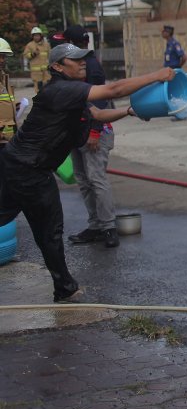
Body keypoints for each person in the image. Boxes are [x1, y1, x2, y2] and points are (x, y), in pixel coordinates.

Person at [0, 43, 175, 302]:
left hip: (18, 164)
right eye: (75, 59)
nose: (82, 62)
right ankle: (65, 288)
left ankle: (64, 286)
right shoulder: (61, 89)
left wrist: (129, 111)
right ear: (58, 67)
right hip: (30, 171)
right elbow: (113, 89)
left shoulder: (71, 93)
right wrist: (156, 76)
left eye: (83, 58)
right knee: (49, 230)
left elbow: (99, 114)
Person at [57, 26, 122, 249]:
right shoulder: (70, 67)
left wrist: (94, 131)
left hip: (94, 133)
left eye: (65, 42)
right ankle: (95, 226)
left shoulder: (90, 67)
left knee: (96, 180)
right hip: (76, 134)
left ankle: (109, 227)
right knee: (84, 181)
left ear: (75, 44)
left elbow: (101, 103)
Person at [0, 38, 17, 144]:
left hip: (6, 136)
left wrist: (13, 106)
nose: (2, 60)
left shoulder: (3, 76)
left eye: (3, 56)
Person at [23, 27, 50, 93]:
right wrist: (33, 54)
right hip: (36, 72)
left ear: (41, 36)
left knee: (47, 87)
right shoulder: (30, 45)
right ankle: (39, 101)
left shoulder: (46, 45)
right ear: (32, 36)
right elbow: (26, 55)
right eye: (35, 35)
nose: (36, 37)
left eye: (37, 35)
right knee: (38, 89)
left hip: (46, 71)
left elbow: (50, 55)